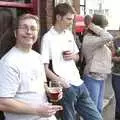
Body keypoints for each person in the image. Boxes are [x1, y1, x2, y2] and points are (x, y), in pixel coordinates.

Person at [41, 3, 103, 120]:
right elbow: (44, 68)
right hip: (66, 88)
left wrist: (73, 56)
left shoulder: (69, 34)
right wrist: (61, 82)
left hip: (79, 84)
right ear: (58, 17)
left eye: (72, 19)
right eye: (69, 19)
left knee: (96, 117)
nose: (71, 22)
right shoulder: (47, 38)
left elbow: (78, 57)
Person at [0, 13, 62, 120]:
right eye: (24, 28)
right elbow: (3, 103)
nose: (29, 32)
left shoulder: (37, 57)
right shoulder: (8, 62)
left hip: (46, 116)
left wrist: (50, 91)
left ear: (37, 34)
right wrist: (38, 110)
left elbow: (41, 85)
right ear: (15, 33)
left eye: (33, 28)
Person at [82, 14, 113, 113]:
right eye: (103, 27)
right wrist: (92, 25)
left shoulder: (97, 39)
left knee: (98, 109)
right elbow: (108, 36)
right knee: (92, 110)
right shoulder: (89, 39)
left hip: (101, 78)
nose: (104, 29)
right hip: (92, 78)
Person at [112, 36, 120, 120]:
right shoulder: (116, 41)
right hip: (117, 75)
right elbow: (111, 56)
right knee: (119, 98)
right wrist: (117, 59)